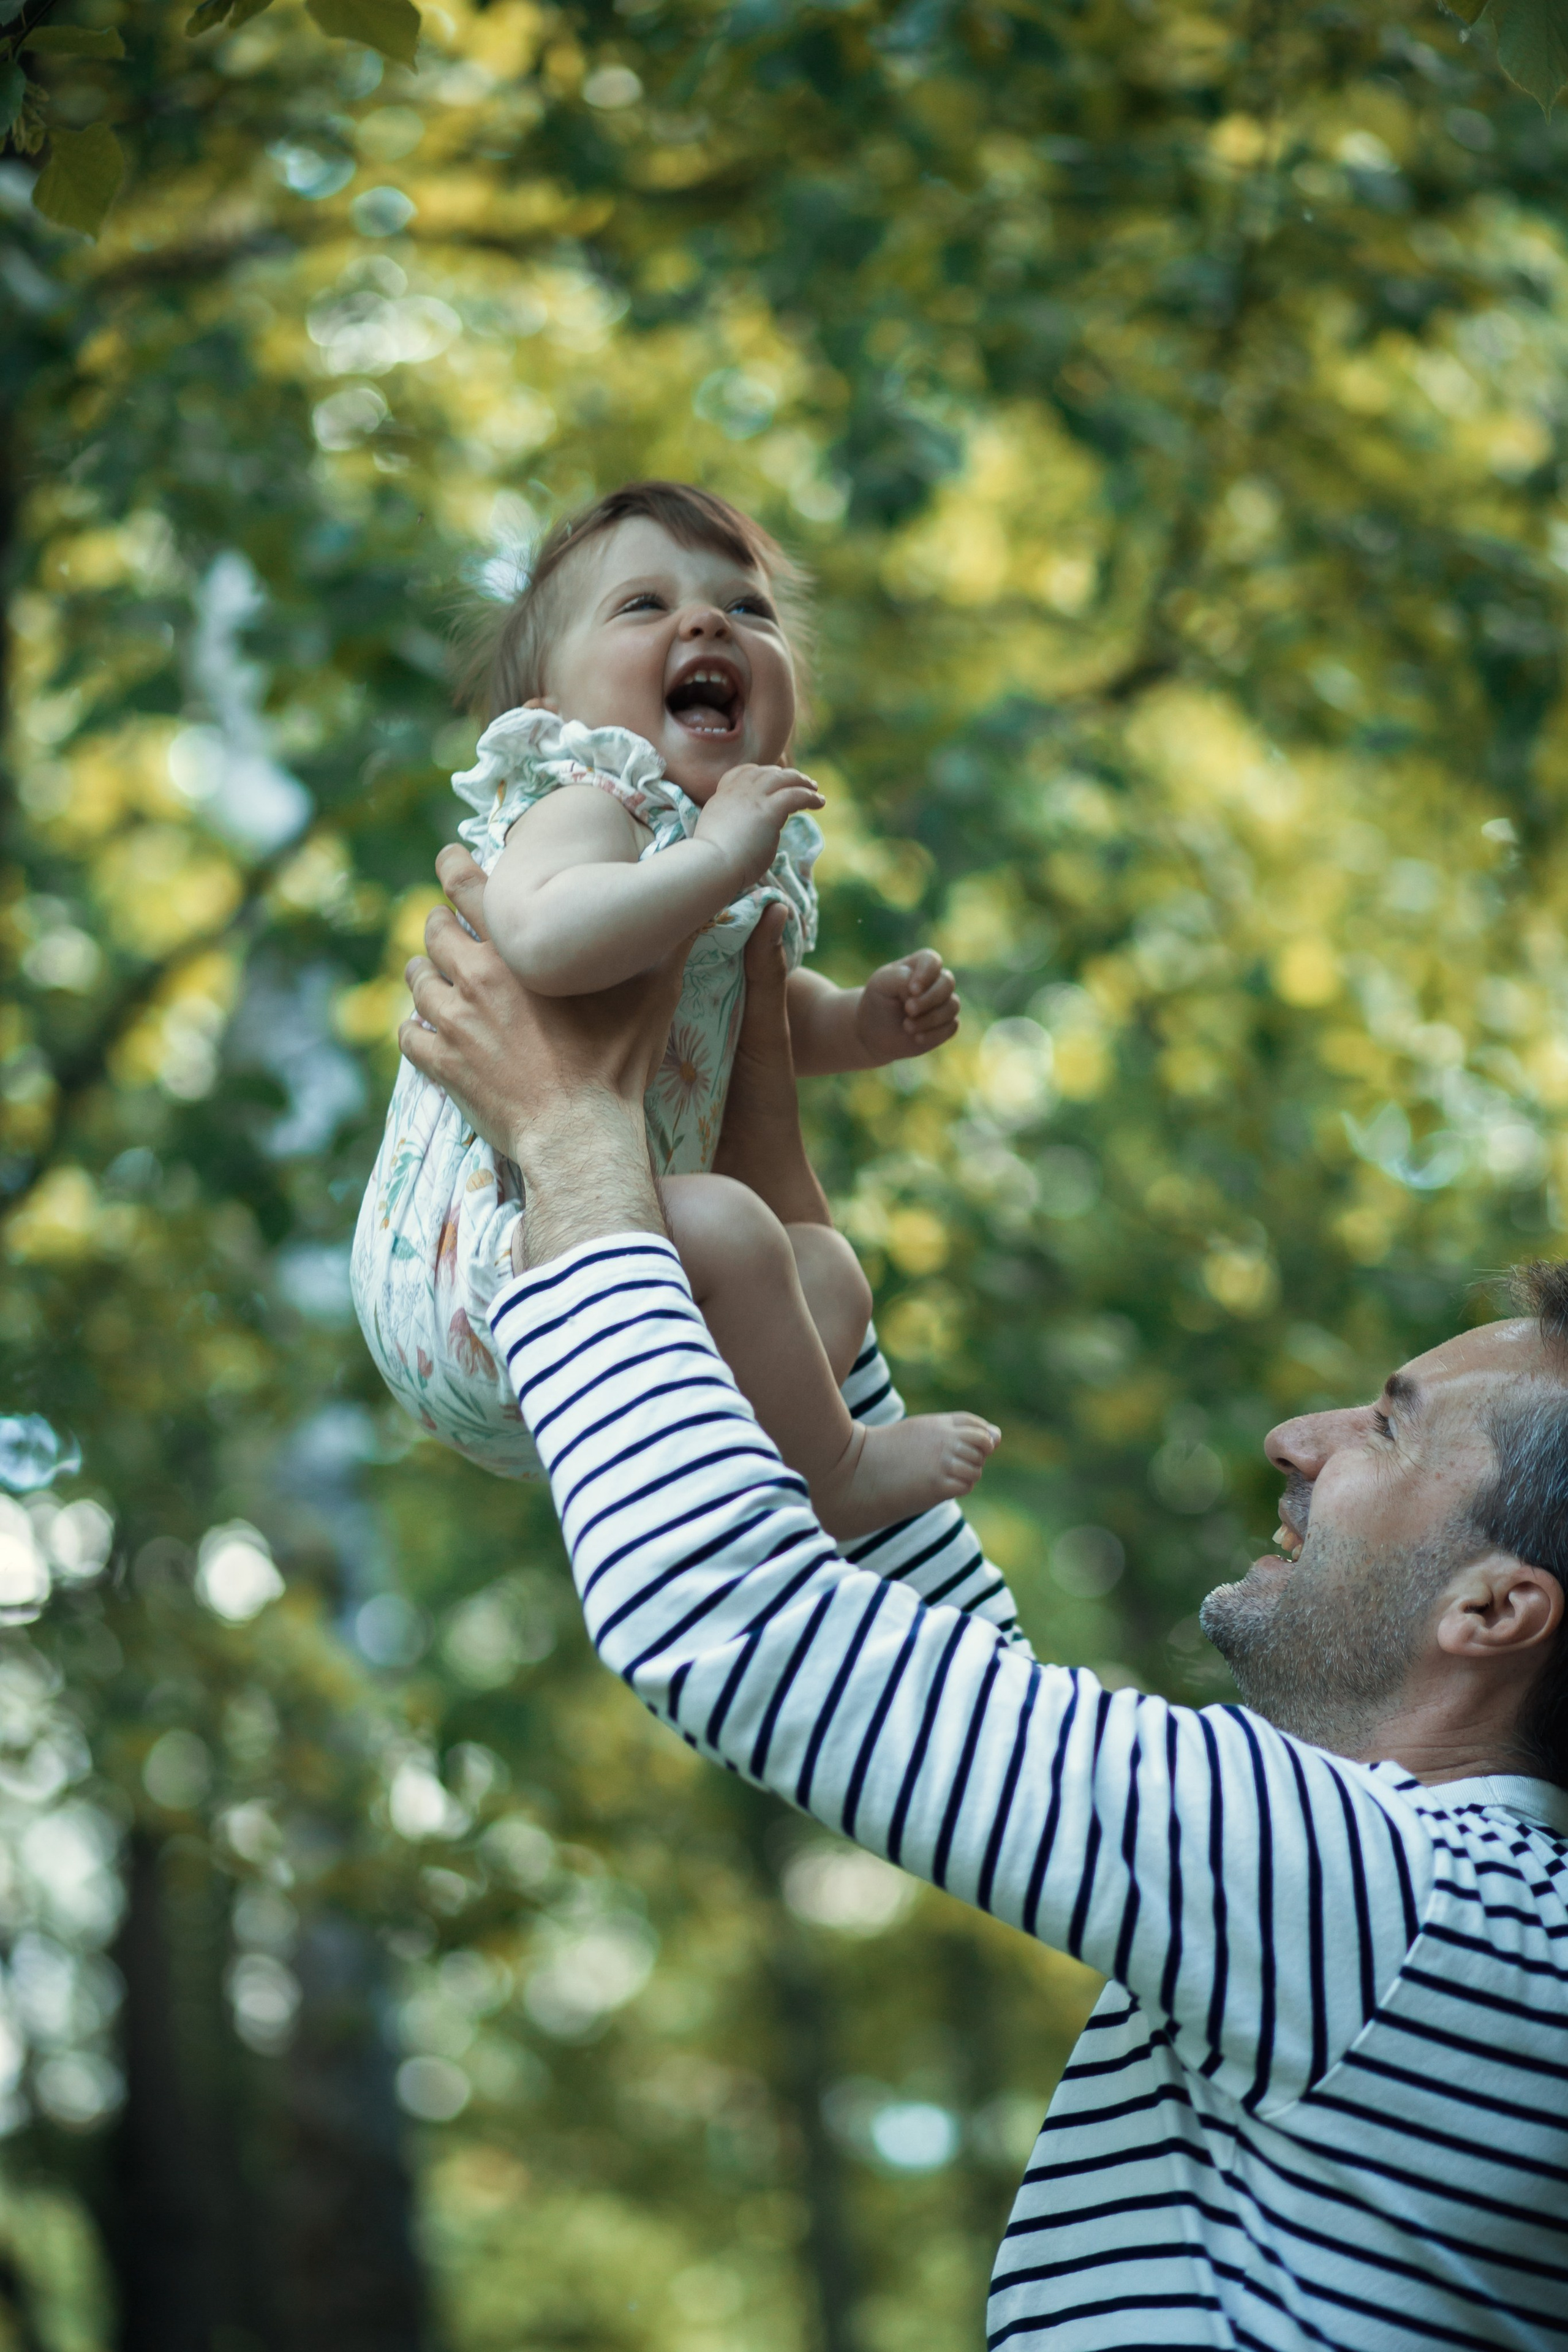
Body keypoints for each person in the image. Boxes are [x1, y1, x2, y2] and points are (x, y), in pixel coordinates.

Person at [400, 845, 1568, 2351]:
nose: (1296, 1438)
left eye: (1387, 1426)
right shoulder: (1460, 1930)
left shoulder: (1399, 1905)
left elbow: (741, 1624)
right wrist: (782, 1257)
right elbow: (949, 1680)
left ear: (1494, 1611)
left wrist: (568, 1134)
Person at [352, 479, 997, 1537]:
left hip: (616, 1290)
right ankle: (834, 1473)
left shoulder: (729, 850)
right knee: (736, 1227)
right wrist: (708, 859)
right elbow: (548, 940)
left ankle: (749, 1483)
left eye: (747, 609)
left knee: (825, 1273)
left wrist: (863, 1025)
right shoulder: (587, 801)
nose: (705, 621)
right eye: (642, 606)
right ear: (550, 711)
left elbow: (757, 1017)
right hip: (478, 1278)